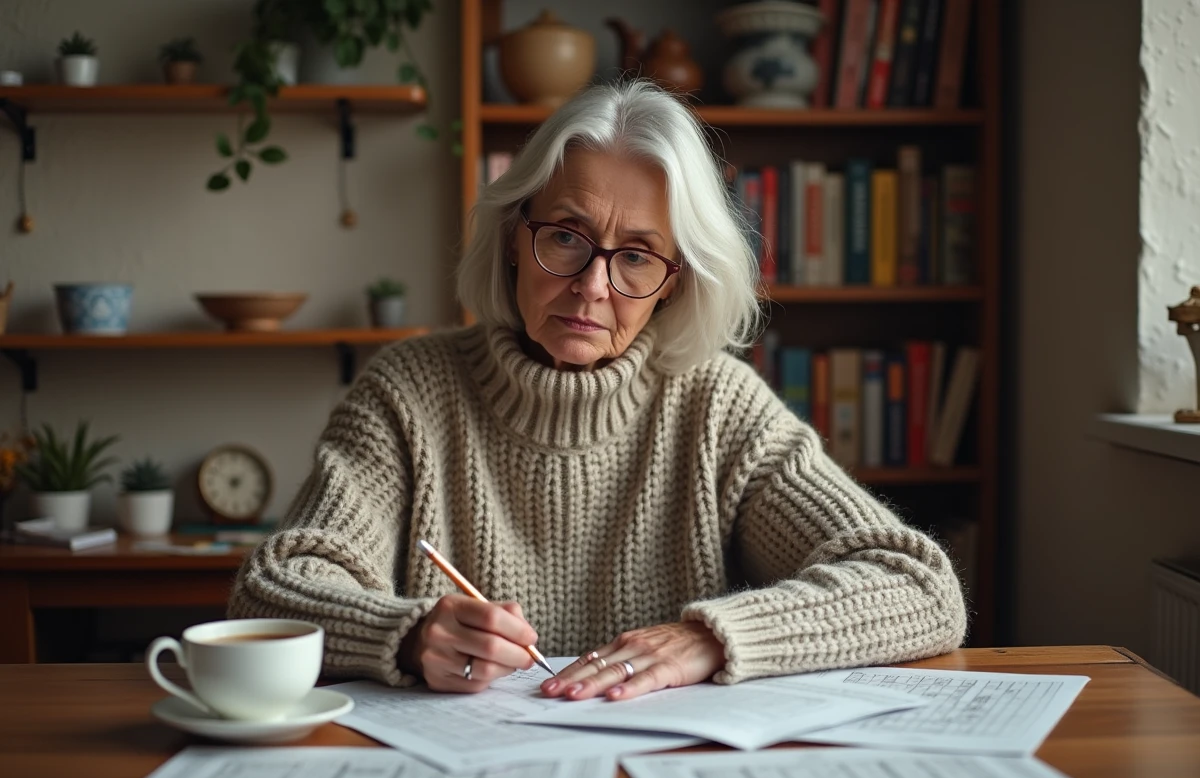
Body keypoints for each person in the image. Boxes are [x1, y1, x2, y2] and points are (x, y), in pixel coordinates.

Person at [229, 80, 966, 703]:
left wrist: (713, 638)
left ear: (674, 282)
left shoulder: (717, 407)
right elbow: (272, 591)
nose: (592, 286)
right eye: (566, 236)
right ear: (515, 237)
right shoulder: (407, 394)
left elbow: (919, 587)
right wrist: (410, 634)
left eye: (637, 256)